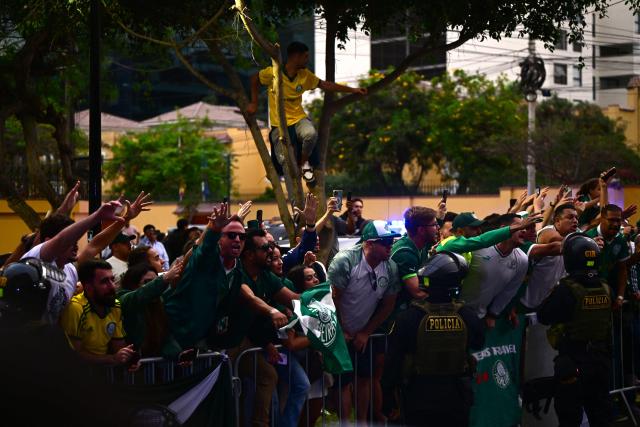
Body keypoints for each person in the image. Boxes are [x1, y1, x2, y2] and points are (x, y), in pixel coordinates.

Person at [382, 251, 484, 426]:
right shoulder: (467, 315)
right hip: (457, 398)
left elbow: (393, 360)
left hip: (419, 397)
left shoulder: (409, 317)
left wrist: (388, 395)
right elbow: (478, 342)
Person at [248, 41, 367, 182]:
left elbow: (326, 84)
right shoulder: (273, 73)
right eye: (305, 56)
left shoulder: (305, 75)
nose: (307, 59)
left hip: (299, 119)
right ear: (296, 57)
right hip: (279, 124)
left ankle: (301, 164)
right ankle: (290, 173)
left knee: (310, 134)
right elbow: (254, 79)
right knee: (282, 159)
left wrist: (353, 90)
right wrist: (254, 103)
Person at [328, 220, 400, 423]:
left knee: (365, 378)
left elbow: (388, 304)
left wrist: (366, 332)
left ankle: (362, 422)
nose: (390, 245)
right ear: (368, 243)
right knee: (343, 382)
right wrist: (341, 330)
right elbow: (333, 299)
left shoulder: (390, 267)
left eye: (391, 241)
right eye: (385, 241)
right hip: (340, 329)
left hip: (364, 331)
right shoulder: (346, 261)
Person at [537, 233, 612, 426]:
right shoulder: (605, 287)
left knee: (569, 417)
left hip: (573, 361)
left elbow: (545, 316)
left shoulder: (567, 289)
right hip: (601, 360)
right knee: (600, 414)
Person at [164, 204, 246, 351]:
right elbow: (205, 250)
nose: (238, 239)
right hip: (177, 337)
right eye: (232, 235)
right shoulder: (205, 260)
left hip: (206, 341)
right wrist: (214, 230)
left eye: (242, 236)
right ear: (219, 239)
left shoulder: (238, 269)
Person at [60, 260, 138, 368]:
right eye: (104, 282)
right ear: (88, 287)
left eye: (112, 279)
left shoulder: (115, 306)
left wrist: (128, 359)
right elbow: (74, 355)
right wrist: (111, 359)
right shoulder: (76, 308)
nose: (113, 287)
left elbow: (118, 346)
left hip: (103, 374)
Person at [460, 213, 529, 325]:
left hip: (479, 317)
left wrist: (493, 314)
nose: (524, 230)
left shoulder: (522, 260)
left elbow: (509, 291)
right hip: (455, 313)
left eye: (525, 227)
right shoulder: (478, 246)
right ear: (503, 229)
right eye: (519, 226)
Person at [117, 261, 185, 360]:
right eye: (147, 282)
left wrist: (179, 355)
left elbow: (165, 338)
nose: (153, 286)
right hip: (130, 367)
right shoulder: (124, 298)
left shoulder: (159, 302)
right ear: (133, 284)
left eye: (154, 281)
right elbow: (139, 296)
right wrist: (163, 279)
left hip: (152, 366)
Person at [391, 206, 439, 301]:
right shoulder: (404, 253)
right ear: (421, 230)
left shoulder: (421, 243)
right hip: (398, 311)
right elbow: (418, 293)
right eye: (434, 225)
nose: (438, 227)